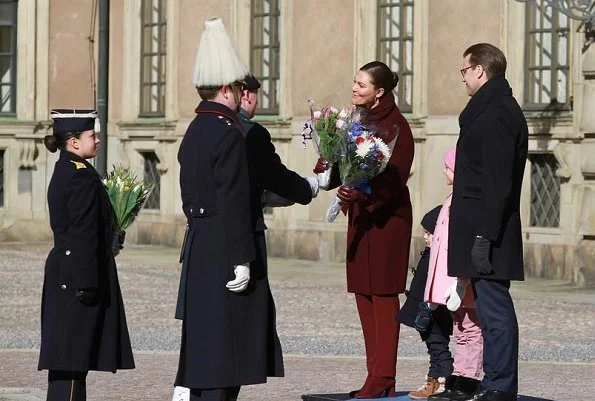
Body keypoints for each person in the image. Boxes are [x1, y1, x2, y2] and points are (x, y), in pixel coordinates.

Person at [174, 18, 316, 401]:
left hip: (202, 245)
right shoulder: (228, 133)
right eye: (237, 88)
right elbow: (234, 200)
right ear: (225, 89)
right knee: (227, 351)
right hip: (226, 246)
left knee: (207, 349)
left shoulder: (195, 130)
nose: (242, 94)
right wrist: (242, 257)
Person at [314, 61, 414, 398]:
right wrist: (328, 161)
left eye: (361, 84)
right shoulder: (356, 121)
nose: (354, 88)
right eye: (354, 83)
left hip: (387, 221)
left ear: (379, 92)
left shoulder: (398, 126)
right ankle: (376, 375)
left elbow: (395, 179)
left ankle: (384, 376)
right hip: (361, 218)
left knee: (384, 297)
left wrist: (364, 193)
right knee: (363, 295)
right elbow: (345, 167)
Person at [448, 43, 528, 401]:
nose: (463, 78)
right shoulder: (487, 109)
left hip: (489, 231)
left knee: (495, 310)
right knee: (487, 308)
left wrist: (484, 236)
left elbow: (498, 181)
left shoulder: (497, 112)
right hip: (481, 227)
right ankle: (493, 381)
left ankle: (500, 385)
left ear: (480, 69)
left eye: (464, 71)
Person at [38, 109, 135, 401]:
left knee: (71, 365)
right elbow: (81, 234)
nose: (97, 140)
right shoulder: (80, 177)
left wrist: (112, 238)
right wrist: (88, 284)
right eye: (92, 135)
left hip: (70, 274)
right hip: (76, 279)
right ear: (74, 142)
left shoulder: (72, 170)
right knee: (69, 365)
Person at [426, 147, 483, 401]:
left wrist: (463, 278)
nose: (444, 171)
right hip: (450, 276)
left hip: (461, 277)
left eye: (448, 167)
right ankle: (459, 375)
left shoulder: (463, 200)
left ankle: (469, 378)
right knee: (460, 326)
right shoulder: (453, 197)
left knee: (471, 327)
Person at [399, 205, 454, 400]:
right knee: (432, 344)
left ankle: (443, 378)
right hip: (423, 306)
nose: (425, 237)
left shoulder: (440, 255)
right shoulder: (430, 252)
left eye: (429, 233)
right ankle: (435, 378)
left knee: (438, 343)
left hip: (434, 309)